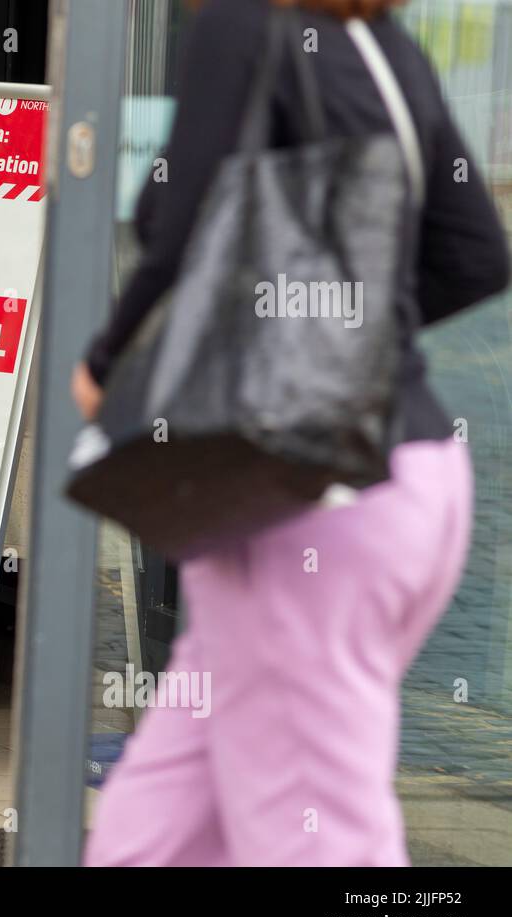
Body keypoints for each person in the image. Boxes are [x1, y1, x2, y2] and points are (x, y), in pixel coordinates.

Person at [78, 0, 510, 866]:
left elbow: (179, 224)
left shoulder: (240, 25)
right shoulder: (386, 46)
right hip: (412, 480)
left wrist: (105, 360)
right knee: (158, 828)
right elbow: (476, 256)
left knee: (323, 847)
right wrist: (350, 333)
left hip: (309, 505)